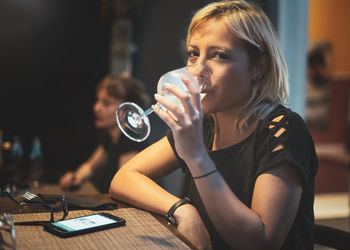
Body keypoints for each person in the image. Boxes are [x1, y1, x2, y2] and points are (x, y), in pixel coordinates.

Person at [109, 1, 318, 249]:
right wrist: (182, 209)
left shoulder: (283, 130)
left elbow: (261, 243)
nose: (197, 71)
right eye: (194, 54)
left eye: (219, 55)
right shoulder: (206, 123)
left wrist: (196, 155)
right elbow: (123, 179)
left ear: (259, 68)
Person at [60, 75, 150, 193]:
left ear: (128, 109)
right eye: (98, 100)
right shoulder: (110, 136)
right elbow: (91, 166)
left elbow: (127, 188)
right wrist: (75, 178)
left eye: (106, 103)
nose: (96, 107)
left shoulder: (131, 139)